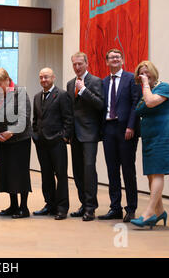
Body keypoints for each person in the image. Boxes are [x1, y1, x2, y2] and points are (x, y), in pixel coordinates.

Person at [131, 61, 169, 229]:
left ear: (153, 73)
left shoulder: (164, 87)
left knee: (158, 172)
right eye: (141, 74)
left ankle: (149, 213)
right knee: (151, 174)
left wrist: (145, 85)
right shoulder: (146, 91)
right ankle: (160, 212)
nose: (145, 75)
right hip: (150, 138)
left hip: (164, 136)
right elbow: (139, 108)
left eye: (147, 72)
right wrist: (145, 88)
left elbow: (150, 102)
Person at [98, 49, 141, 223]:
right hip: (108, 129)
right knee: (112, 171)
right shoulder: (104, 82)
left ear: (122, 60)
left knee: (128, 170)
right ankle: (115, 208)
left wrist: (131, 126)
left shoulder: (131, 79)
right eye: (111, 57)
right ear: (107, 62)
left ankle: (131, 209)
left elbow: (135, 104)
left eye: (118, 57)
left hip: (126, 130)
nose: (115, 59)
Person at [0, 68, 32, 219]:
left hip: (20, 140)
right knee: (7, 174)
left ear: (7, 80)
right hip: (2, 140)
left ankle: (24, 207)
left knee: (20, 173)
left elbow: (24, 117)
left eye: (0, 84)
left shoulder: (19, 92)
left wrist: (11, 132)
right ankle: (13, 205)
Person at [66, 52, 104, 221]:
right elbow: (69, 110)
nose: (77, 67)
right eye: (74, 64)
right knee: (77, 171)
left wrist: (84, 91)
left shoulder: (95, 81)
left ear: (87, 64)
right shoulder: (69, 84)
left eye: (80, 64)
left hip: (89, 133)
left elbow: (100, 104)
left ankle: (91, 207)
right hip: (74, 134)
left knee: (89, 169)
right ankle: (83, 204)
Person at [32, 67, 73, 220]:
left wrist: (64, 137)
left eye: (46, 77)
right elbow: (35, 120)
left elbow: (68, 119)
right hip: (41, 143)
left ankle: (62, 208)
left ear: (53, 77)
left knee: (60, 175)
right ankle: (49, 204)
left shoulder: (62, 95)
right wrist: (34, 135)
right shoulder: (37, 97)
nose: (44, 80)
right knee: (46, 175)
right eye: (41, 77)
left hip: (57, 142)